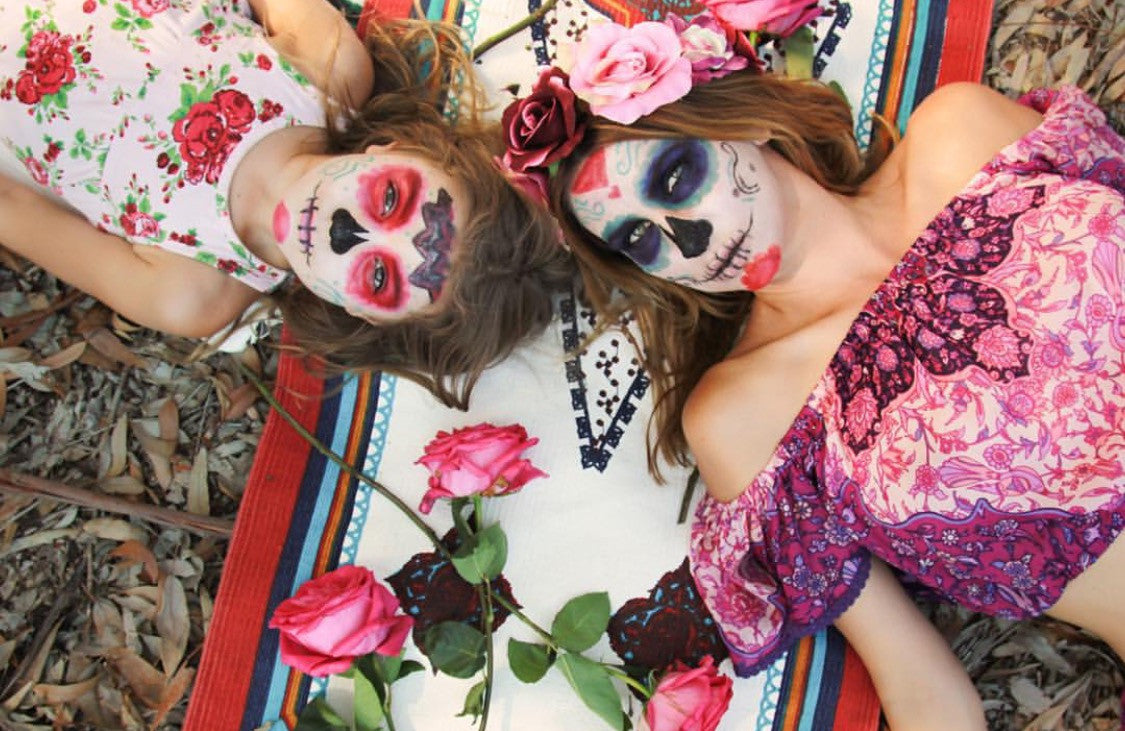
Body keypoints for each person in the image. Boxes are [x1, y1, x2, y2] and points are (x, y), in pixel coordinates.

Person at [537, 62, 1125, 728]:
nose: (687, 240)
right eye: (640, 238)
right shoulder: (746, 414)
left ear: (742, 121)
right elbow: (915, 678)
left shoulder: (957, 132)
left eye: (675, 178)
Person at [0, 0, 571, 406]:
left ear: (364, 316)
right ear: (399, 149)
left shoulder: (191, 290)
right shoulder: (328, 72)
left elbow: (15, 209)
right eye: (390, 197)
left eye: (377, 276)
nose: (349, 231)